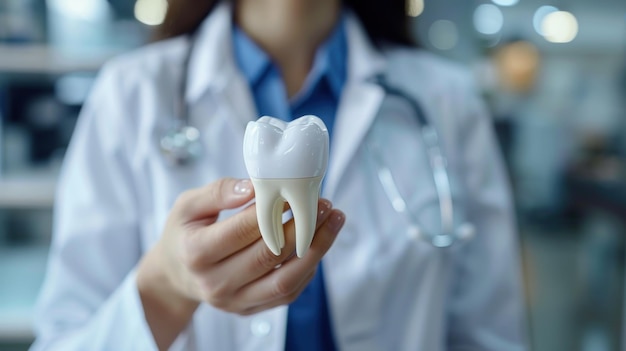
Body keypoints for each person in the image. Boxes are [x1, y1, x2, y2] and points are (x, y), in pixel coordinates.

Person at [31, 0, 527, 350]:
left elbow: (491, 334)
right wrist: (165, 286)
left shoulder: (448, 101)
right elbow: (65, 339)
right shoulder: (129, 94)